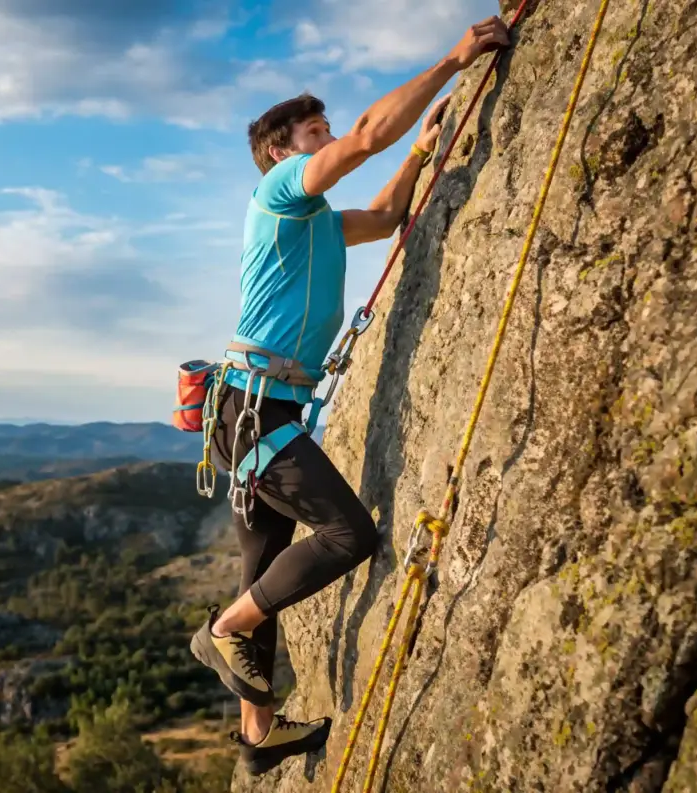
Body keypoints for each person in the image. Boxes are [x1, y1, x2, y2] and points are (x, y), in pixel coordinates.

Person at [188, 15, 512, 777]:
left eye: (325, 128)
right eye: (314, 131)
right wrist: (455, 61)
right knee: (347, 537)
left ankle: (257, 733)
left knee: (262, 565)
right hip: (256, 412)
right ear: (279, 150)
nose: (329, 137)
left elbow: (391, 213)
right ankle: (221, 630)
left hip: (251, 412)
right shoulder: (277, 193)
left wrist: (424, 153)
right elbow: (368, 137)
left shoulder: (319, 225)